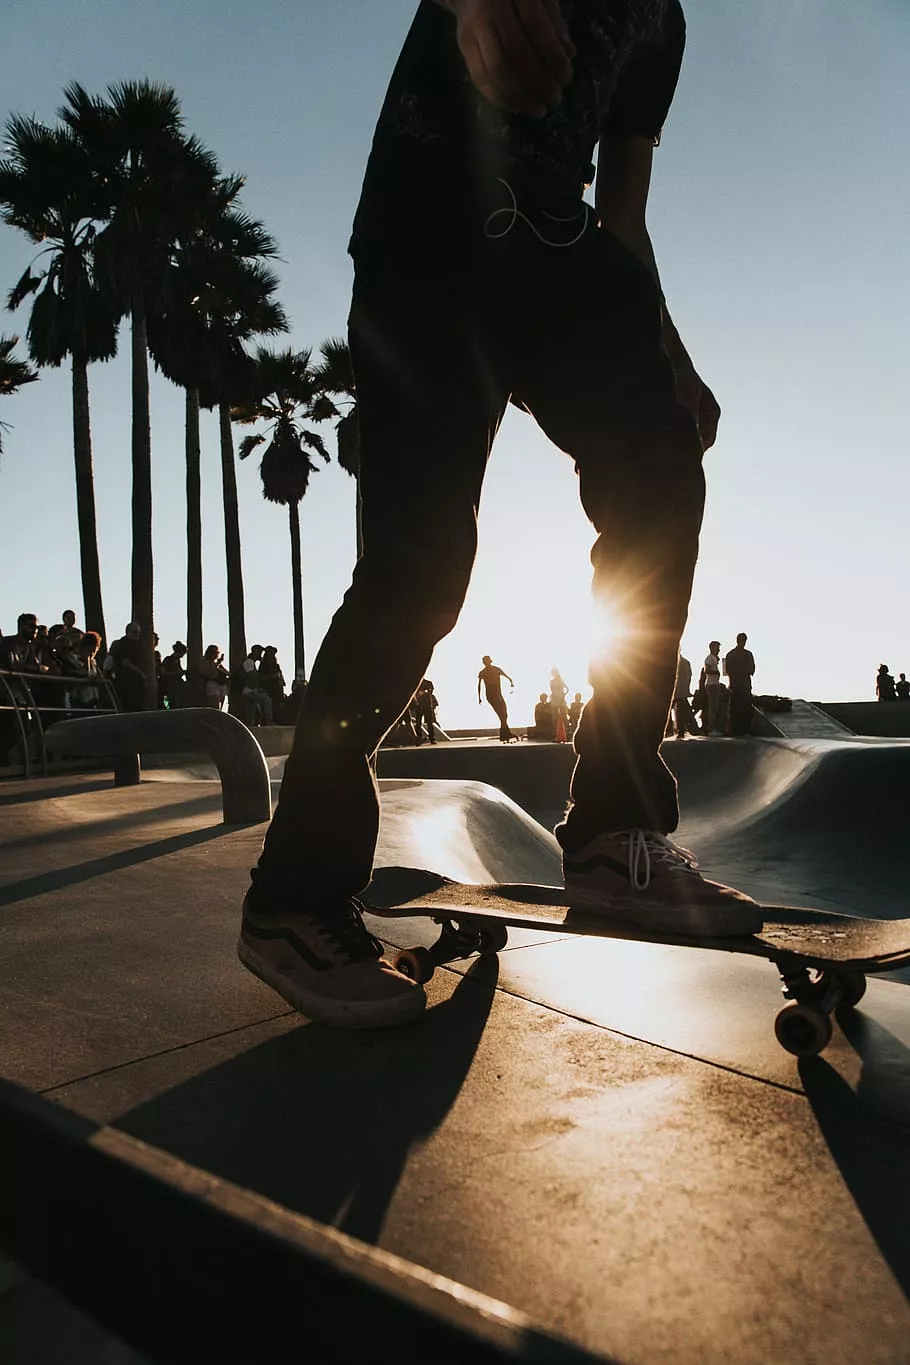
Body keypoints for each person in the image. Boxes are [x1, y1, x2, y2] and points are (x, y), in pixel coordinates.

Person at [238, 0, 762, 1032]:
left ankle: (614, 831)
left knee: (661, 469)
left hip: (563, 252)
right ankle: (293, 898)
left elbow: (623, 211)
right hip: (428, 226)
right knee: (422, 563)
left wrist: (669, 352)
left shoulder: (662, 26)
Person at [107, 623, 149, 713]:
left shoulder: (138, 645)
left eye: (138, 632)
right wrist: (140, 673)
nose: (137, 634)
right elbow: (124, 662)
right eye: (134, 632)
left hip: (136, 683)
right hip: (125, 682)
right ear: (127, 632)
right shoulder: (123, 644)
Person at [723, 632, 755, 736]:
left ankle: (734, 729)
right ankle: (745, 730)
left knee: (734, 708)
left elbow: (727, 670)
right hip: (745, 684)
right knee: (745, 708)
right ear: (745, 641)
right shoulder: (748, 654)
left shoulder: (730, 654)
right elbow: (752, 669)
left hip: (734, 684)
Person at [477, 655, 515, 742]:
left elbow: (507, 676)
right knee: (502, 715)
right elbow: (479, 685)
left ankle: (507, 733)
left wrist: (511, 681)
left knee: (503, 714)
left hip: (497, 695)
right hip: (492, 696)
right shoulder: (484, 672)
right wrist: (479, 697)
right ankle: (504, 735)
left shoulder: (495, 669)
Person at [240, 646, 274, 725]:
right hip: (249, 691)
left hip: (250, 691)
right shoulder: (249, 662)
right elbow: (251, 676)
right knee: (266, 700)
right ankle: (269, 721)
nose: (260, 655)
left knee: (250, 714)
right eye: (259, 652)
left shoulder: (252, 662)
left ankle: (250, 727)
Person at [700, 641, 726, 736]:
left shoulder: (714, 658)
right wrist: (716, 673)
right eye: (717, 648)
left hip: (715, 684)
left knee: (715, 707)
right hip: (712, 685)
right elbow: (707, 670)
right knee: (713, 707)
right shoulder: (709, 658)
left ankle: (714, 727)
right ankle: (712, 729)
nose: (719, 650)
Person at [259, 646, 287, 720]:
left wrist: (281, 680)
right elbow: (260, 678)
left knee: (278, 705)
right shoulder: (263, 665)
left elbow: (281, 677)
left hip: (277, 690)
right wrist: (271, 677)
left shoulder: (276, 666)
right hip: (268, 689)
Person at [672, 655, 697, 737]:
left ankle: (682, 730)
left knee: (680, 710)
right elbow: (689, 677)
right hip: (682, 690)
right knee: (683, 709)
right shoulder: (686, 662)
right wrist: (687, 689)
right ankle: (689, 728)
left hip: (677, 690)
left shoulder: (678, 662)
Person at [159, 642, 188, 710]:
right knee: (174, 704)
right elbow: (163, 673)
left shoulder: (177, 660)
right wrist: (176, 673)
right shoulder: (168, 659)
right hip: (170, 686)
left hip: (177, 686)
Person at [200, 645, 230, 709]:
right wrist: (216, 665)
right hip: (212, 684)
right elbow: (209, 674)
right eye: (214, 653)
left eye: (217, 653)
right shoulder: (204, 662)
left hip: (221, 685)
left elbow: (228, 673)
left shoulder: (217, 663)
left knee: (220, 708)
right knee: (214, 707)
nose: (215, 655)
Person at [414, 678, 439, 743]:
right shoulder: (415, 682)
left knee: (429, 722)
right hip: (418, 705)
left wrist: (424, 691)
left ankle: (432, 738)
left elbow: (431, 690)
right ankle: (419, 737)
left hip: (427, 705)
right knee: (418, 722)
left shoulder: (428, 683)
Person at [549, 668, 569, 741]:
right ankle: (555, 734)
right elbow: (552, 690)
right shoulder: (551, 682)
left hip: (561, 700)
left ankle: (566, 732)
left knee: (564, 716)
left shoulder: (561, 680)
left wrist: (563, 695)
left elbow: (567, 689)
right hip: (554, 700)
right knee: (554, 717)